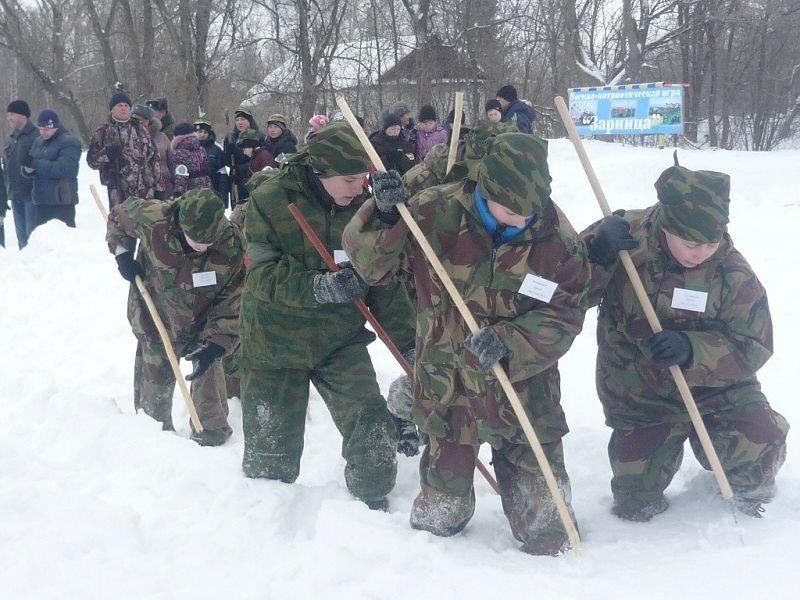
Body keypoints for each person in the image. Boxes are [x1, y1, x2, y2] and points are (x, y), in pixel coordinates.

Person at [343, 133, 590, 555]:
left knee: (551, 531)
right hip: (448, 386)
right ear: (483, 188)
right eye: (509, 210)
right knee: (440, 519)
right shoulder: (433, 211)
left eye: (528, 212)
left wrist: (512, 341)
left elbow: (564, 314)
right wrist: (383, 214)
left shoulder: (558, 242)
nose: (519, 220)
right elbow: (371, 267)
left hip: (523, 392)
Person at [581, 162, 789, 521]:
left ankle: (744, 441)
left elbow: (754, 343)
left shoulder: (732, 272)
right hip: (640, 392)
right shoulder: (624, 238)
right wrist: (593, 256)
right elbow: (556, 293)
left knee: (756, 463)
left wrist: (694, 349)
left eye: (710, 243)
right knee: (635, 501)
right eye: (690, 244)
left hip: (715, 391)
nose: (700, 253)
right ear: (666, 226)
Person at [239, 121, 417, 510]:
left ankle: (367, 505)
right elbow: (260, 275)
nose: (359, 188)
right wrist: (319, 286)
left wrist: (410, 344)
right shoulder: (271, 199)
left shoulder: (365, 208)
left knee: (373, 435)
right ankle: (269, 537)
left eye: (364, 179)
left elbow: (383, 280)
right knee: (270, 465)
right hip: (274, 340)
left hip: (339, 340)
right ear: (321, 173)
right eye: (350, 180)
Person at [106, 189, 244, 445]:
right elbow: (117, 217)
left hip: (205, 321)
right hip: (156, 315)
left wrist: (217, 344)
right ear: (181, 223)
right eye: (196, 239)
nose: (203, 246)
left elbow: (234, 298)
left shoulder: (231, 242)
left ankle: (211, 432)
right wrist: (122, 254)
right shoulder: (152, 218)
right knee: (154, 389)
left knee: (208, 370)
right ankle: (153, 435)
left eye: (208, 241)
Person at [87, 91, 161, 209]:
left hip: (145, 191)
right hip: (119, 192)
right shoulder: (103, 132)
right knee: (121, 225)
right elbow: (91, 161)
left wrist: (158, 187)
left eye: (126, 106)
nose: (123, 109)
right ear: (112, 109)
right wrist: (107, 154)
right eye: (119, 105)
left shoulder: (141, 129)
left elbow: (154, 158)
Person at [21, 109, 81, 231]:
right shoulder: (38, 141)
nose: (43, 132)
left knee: (64, 242)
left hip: (62, 202)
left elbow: (63, 169)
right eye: (41, 128)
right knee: (44, 244)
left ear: (56, 126)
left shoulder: (70, 142)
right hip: (41, 201)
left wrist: (36, 164)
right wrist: (27, 169)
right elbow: (30, 164)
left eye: (47, 128)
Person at [4, 99, 38, 248]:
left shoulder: (37, 136)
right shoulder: (10, 139)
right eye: (8, 114)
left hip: (33, 196)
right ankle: (26, 269)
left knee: (34, 239)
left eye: (12, 114)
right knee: (22, 241)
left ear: (23, 115)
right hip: (15, 196)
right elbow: (7, 167)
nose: (8, 118)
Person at [132, 104, 174, 200]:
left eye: (144, 121)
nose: (141, 123)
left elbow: (171, 162)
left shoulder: (162, 137)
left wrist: (174, 182)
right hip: (137, 188)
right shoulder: (128, 138)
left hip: (163, 185)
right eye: (137, 120)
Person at [223, 106, 261, 207]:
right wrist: (229, 151)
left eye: (243, 119)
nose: (240, 122)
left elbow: (260, 158)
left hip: (254, 179)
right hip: (236, 181)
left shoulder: (259, 136)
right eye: (237, 120)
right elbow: (227, 162)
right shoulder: (231, 138)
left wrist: (242, 168)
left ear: (249, 121)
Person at [194, 119, 230, 205]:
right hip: (193, 194)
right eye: (199, 131)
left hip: (212, 193)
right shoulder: (188, 150)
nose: (202, 134)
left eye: (205, 132)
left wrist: (223, 199)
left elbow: (223, 176)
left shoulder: (216, 150)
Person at [171, 122, 211, 196]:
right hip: (205, 190)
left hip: (190, 193)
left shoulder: (178, 153)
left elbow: (181, 175)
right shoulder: (201, 149)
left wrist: (178, 195)